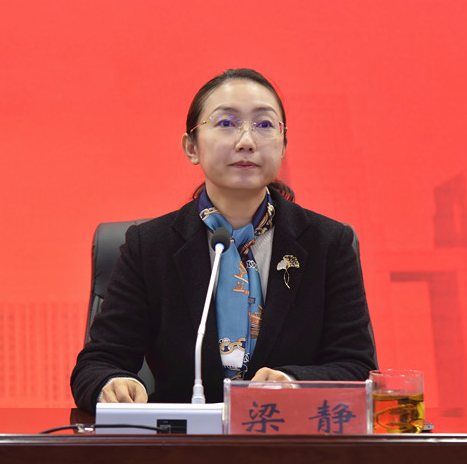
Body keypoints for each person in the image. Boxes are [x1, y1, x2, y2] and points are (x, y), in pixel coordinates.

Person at [71, 68, 377, 411]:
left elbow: (357, 367)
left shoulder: (328, 243)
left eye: (264, 124)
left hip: (291, 436)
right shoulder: (150, 247)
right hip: (184, 440)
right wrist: (113, 384)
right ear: (191, 147)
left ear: (283, 145)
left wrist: (292, 382)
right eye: (226, 123)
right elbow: (98, 363)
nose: (246, 141)